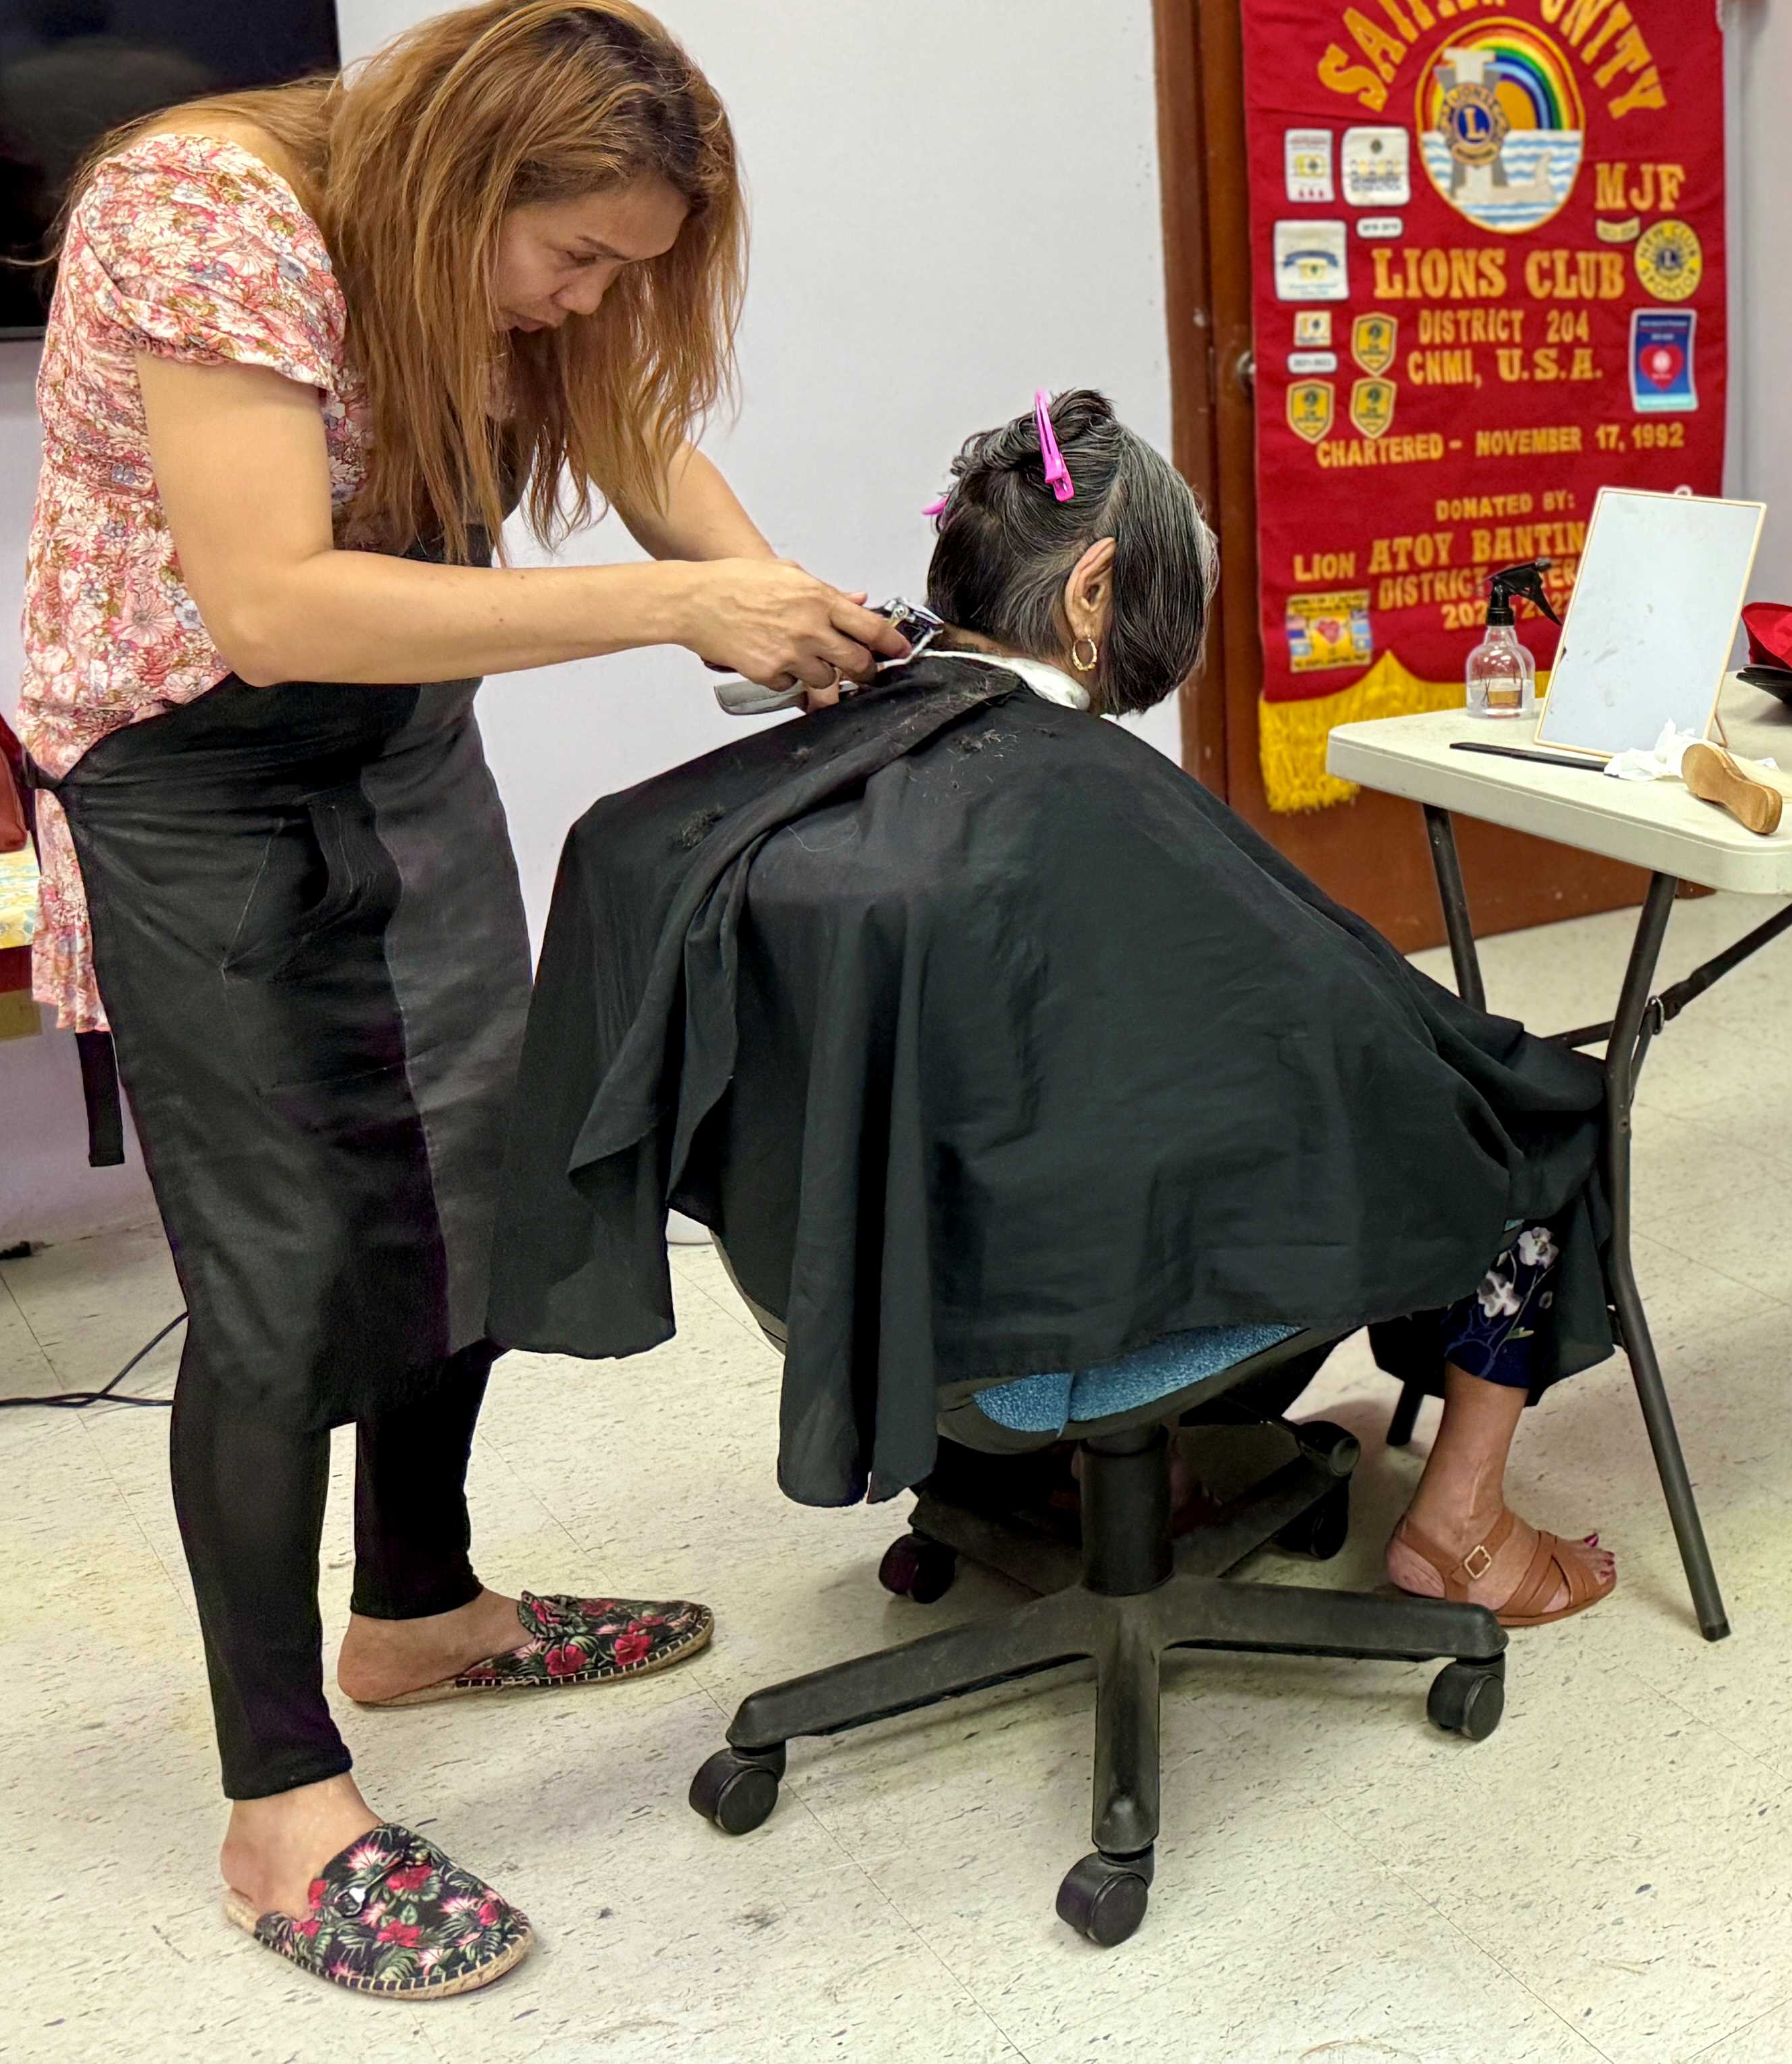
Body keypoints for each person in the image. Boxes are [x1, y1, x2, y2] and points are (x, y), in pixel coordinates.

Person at [19, 0, 910, 2000]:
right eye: (573, 255)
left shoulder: (490, 271)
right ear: (463, 183)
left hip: (396, 749)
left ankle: (415, 1605)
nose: (586, 299)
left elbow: (622, 429)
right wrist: (680, 604)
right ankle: (279, 1800)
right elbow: (271, 597)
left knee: (469, 1188)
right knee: (285, 1269)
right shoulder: (206, 208)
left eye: (628, 269)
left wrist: (790, 609)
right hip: (203, 782)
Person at [494, 392, 1618, 1632]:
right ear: (1092, 595)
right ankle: (1459, 1530)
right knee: (1531, 1122)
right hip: (1027, 1338)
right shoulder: (1078, 801)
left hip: (862, 1295)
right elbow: (1355, 1049)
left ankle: (1097, 1465)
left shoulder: (842, 756)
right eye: (1171, 601)